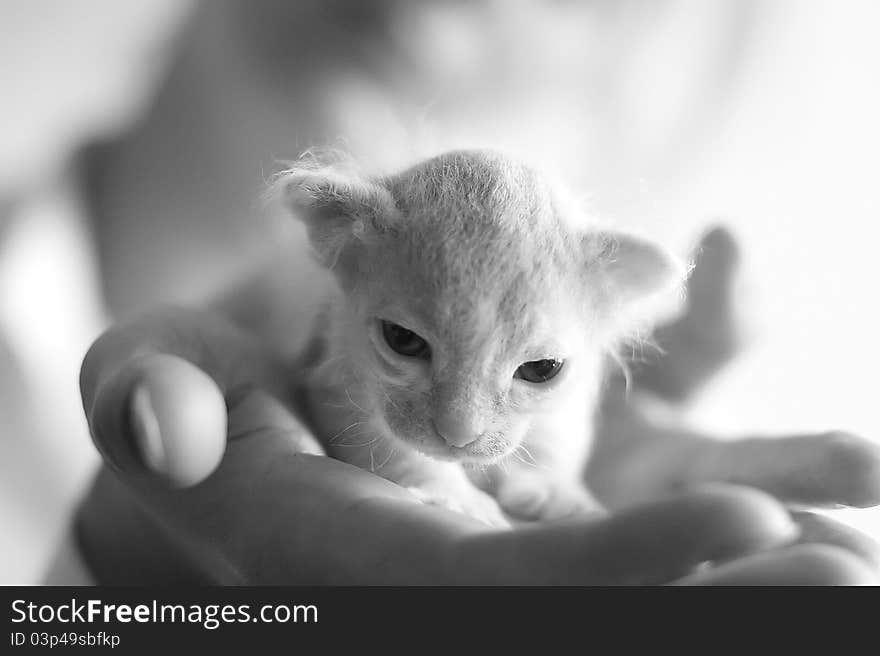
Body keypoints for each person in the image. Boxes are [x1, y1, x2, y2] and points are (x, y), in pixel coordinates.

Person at [70, 227, 880, 585]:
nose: (458, 428)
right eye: (407, 341)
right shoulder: (308, 285)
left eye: (538, 368)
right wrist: (138, 595)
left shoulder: (582, 300)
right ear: (333, 234)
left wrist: (555, 477)